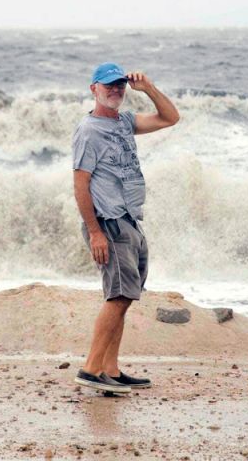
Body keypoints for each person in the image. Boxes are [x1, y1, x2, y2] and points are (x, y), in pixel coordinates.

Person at [71, 62, 180, 394]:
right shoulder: (89, 131)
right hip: (109, 222)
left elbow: (170, 117)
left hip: (129, 219)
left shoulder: (123, 123)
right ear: (94, 89)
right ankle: (90, 369)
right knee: (118, 296)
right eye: (108, 86)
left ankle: (110, 370)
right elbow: (80, 183)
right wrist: (95, 231)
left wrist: (148, 89)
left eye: (119, 85)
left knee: (124, 296)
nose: (115, 90)